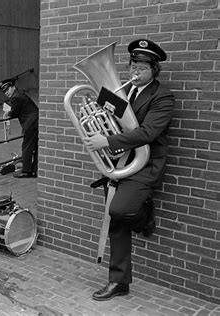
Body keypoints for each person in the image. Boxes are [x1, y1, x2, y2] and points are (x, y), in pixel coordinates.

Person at [82, 39, 175, 301]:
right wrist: (94, 111)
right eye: (133, 65)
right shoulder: (121, 92)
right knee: (116, 222)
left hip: (145, 165)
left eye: (142, 67)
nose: (135, 71)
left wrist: (107, 141)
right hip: (119, 163)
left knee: (120, 210)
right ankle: (118, 281)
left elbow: (148, 132)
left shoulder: (162, 96)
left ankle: (144, 215)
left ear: (154, 70)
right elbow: (105, 119)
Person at [0, 79, 39, 178]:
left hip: (30, 124)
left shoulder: (16, 97)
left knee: (27, 147)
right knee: (35, 147)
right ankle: (34, 170)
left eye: (7, 89)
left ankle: (26, 171)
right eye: (4, 91)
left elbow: (14, 112)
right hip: (34, 122)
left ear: (13, 87)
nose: (6, 92)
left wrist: (8, 114)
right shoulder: (19, 94)